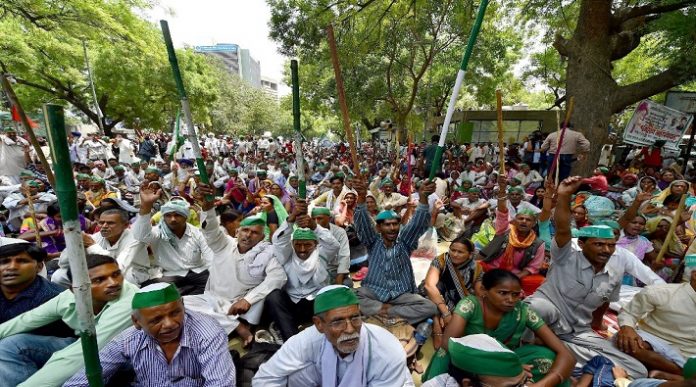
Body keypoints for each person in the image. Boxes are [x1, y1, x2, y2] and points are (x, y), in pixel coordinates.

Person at [525, 176, 648, 379]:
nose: (606, 249)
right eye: (599, 244)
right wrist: (564, 196)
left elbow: (603, 306)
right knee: (537, 307)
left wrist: (599, 328)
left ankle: (560, 354)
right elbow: (563, 227)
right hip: (542, 324)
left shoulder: (614, 274)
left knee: (637, 370)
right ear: (582, 244)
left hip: (577, 334)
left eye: (610, 245)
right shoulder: (566, 256)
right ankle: (534, 351)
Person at [0, 254, 137, 386]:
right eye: (99, 280)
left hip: (122, 358)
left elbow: (82, 353)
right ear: (76, 289)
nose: (113, 283)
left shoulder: (129, 301)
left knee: (68, 364)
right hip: (82, 345)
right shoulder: (69, 297)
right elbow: (26, 320)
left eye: (116, 274)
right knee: (10, 345)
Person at [64, 283, 236, 386]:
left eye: (175, 313)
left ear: (183, 305)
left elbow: (221, 384)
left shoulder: (207, 333)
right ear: (136, 322)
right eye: (157, 319)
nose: (169, 324)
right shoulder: (128, 340)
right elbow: (84, 378)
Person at [429, 269, 575, 385]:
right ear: (485, 291)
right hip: (468, 359)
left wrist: (541, 385)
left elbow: (566, 355)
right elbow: (449, 343)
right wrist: (505, 367)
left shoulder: (523, 311)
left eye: (515, 294)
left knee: (548, 356)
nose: (511, 300)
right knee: (444, 357)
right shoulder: (470, 305)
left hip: (508, 361)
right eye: (503, 293)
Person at [184, 185, 286, 346]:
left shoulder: (267, 252)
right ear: (237, 231)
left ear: (262, 237)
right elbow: (210, 230)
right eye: (245, 230)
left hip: (240, 307)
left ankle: (230, 323)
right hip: (212, 300)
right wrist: (207, 208)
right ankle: (237, 327)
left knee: (201, 327)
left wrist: (248, 299)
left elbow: (278, 278)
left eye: (254, 233)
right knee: (182, 303)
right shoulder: (223, 243)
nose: (248, 235)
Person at [253, 285, 414, 386]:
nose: (350, 329)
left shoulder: (387, 350)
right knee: (296, 374)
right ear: (319, 324)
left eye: (355, 318)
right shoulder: (305, 341)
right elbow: (265, 378)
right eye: (338, 322)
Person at [352, 176, 438, 324]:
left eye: (395, 224)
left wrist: (423, 198)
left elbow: (417, 224)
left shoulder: (405, 242)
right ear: (379, 228)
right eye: (387, 225)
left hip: (401, 295)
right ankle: (390, 313)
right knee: (350, 296)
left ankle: (384, 312)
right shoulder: (373, 242)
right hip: (374, 291)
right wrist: (361, 197)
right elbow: (362, 225)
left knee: (429, 307)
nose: (392, 228)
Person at [265, 201, 340, 341]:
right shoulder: (287, 255)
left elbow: (333, 244)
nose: (302, 250)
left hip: (316, 304)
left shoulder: (322, 254)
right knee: (273, 297)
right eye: (298, 245)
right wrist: (291, 218)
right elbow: (279, 240)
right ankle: (292, 340)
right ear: (292, 244)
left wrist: (314, 226)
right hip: (292, 305)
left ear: (316, 244)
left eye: (307, 245)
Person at [615, 258, 696, 379]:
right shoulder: (662, 292)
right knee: (629, 343)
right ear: (695, 275)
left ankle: (674, 373)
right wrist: (627, 328)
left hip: (687, 354)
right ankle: (681, 374)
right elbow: (628, 313)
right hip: (652, 340)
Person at [133, 184, 213, 295]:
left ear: (185, 217)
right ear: (163, 217)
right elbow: (140, 236)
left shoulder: (197, 233)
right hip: (169, 276)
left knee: (215, 285)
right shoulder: (158, 232)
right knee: (150, 290)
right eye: (168, 215)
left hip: (197, 274)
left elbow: (210, 259)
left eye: (177, 215)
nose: (173, 219)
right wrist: (146, 206)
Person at [53, 208, 151, 287]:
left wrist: (92, 246)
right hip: (101, 272)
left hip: (133, 272)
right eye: (101, 222)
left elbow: (118, 267)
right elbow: (62, 264)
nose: (104, 226)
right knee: (59, 276)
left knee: (124, 277)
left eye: (110, 223)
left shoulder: (134, 239)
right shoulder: (95, 237)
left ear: (125, 225)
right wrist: (74, 245)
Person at [478, 177, 545, 290]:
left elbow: (532, 267)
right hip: (491, 268)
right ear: (514, 221)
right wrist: (502, 190)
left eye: (528, 220)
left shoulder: (538, 244)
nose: (524, 221)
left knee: (539, 283)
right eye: (521, 219)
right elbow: (502, 212)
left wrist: (515, 277)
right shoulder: (504, 230)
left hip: (514, 274)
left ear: (534, 223)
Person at [423, 236, 481, 349]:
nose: (454, 254)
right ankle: (437, 327)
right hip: (438, 295)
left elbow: (479, 294)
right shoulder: (442, 260)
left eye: (460, 252)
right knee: (431, 291)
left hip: (459, 300)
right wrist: (445, 313)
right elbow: (429, 285)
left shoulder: (476, 268)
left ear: (470, 254)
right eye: (453, 250)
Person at [0, 238, 65, 329]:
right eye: (4, 262)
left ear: (39, 267)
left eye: (22, 261)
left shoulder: (52, 297)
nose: (12, 267)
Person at [311, 207, 351, 286]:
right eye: (313, 219)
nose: (316, 222)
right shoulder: (309, 232)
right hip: (315, 271)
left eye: (319, 219)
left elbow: (344, 256)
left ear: (329, 219)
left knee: (347, 284)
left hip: (334, 270)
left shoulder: (339, 232)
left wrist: (339, 279)